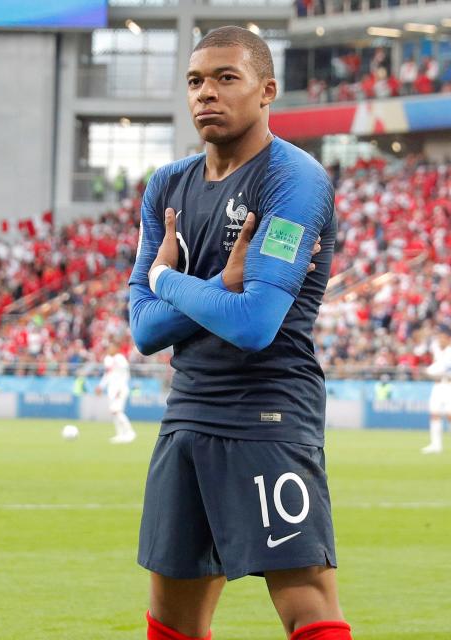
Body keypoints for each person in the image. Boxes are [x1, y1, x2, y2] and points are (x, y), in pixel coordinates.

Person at [128, 26, 352, 640]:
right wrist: (219, 290)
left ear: (266, 91)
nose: (207, 93)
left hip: (270, 414)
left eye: (227, 78)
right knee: (172, 614)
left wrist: (168, 280)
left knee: (305, 597)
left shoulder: (293, 180)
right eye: (197, 81)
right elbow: (143, 330)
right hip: (188, 415)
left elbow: (254, 325)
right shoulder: (167, 186)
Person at [96, 339, 136, 443]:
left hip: (120, 389)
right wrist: (101, 386)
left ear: (117, 349)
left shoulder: (121, 359)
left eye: (111, 347)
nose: (109, 349)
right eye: (109, 347)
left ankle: (130, 432)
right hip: (111, 389)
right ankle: (120, 434)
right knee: (113, 412)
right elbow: (107, 375)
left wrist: (120, 388)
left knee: (116, 410)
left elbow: (126, 375)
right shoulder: (108, 359)